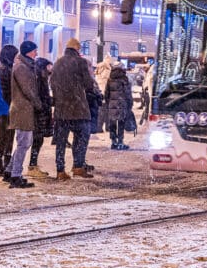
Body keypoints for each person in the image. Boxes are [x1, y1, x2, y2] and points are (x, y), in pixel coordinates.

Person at [51, 38, 98, 179]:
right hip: (78, 108)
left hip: (61, 109)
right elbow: (89, 84)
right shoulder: (81, 62)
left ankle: (60, 170)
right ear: (77, 49)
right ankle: (78, 166)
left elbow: (52, 83)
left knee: (61, 141)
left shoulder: (58, 63)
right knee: (81, 138)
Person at [6, 41, 39, 188]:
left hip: (23, 108)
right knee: (24, 143)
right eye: (34, 51)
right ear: (28, 52)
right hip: (22, 109)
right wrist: (38, 103)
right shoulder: (22, 67)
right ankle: (15, 176)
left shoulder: (24, 66)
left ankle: (10, 171)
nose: (36, 53)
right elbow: (28, 89)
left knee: (23, 143)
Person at [0, 45, 19, 179]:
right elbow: (6, 91)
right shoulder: (5, 69)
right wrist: (13, 104)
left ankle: (0, 164)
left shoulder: (0, 68)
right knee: (6, 137)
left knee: (4, 136)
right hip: (6, 108)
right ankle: (2, 164)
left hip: (2, 107)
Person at [27, 57, 54, 178]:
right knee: (37, 139)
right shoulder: (39, 80)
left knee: (38, 139)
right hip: (39, 113)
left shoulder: (41, 78)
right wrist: (45, 104)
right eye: (48, 67)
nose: (50, 69)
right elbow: (40, 97)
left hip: (41, 112)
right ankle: (32, 165)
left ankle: (33, 164)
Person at [104, 63, 134, 150]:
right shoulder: (124, 79)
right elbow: (128, 93)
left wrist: (108, 103)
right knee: (121, 123)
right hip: (122, 104)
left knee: (112, 124)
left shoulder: (110, 79)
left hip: (112, 104)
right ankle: (120, 142)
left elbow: (106, 93)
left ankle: (113, 142)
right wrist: (130, 103)